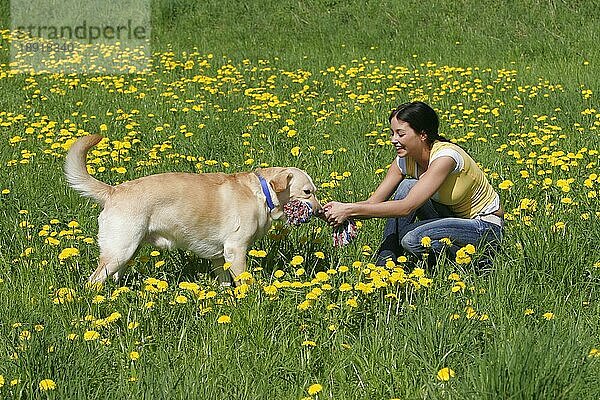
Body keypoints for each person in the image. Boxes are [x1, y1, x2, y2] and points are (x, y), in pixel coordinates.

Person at [323, 101, 504, 266]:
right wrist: (337, 210)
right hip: (451, 218)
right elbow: (373, 203)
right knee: (406, 186)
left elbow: (406, 208)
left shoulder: (446, 158)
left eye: (400, 133)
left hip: (484, 226)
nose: (393, 139)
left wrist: (349, 211)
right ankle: (386, 260)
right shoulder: (404, 160)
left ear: (423, 134)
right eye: (392, 133)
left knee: (411, 239)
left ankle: (478, 261)